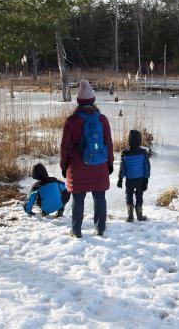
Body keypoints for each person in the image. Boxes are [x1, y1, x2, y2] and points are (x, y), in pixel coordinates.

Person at [60, 80, 114, 238]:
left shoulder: (71, 121)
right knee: (100, 198)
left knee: (78, 199)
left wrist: (63, 166)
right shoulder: (102, 119)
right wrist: (109, 163)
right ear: (93, 101)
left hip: (77, 168)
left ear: (79, 102)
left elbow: (64, 147)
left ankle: (76, 231)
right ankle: (100, 229)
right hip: (99, 166)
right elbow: (109, 143)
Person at [117, 130, 150, 222]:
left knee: (129, 196)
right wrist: (146, 179)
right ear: (139, 139)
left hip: (129, 179)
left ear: (129, 140)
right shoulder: (143, 152)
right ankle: (139, 215)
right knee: (139, 196)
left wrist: (120, 179)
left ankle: (130, 216)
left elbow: (122, 168)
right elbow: (147, 167)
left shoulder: (124, 152)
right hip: (140, 179)